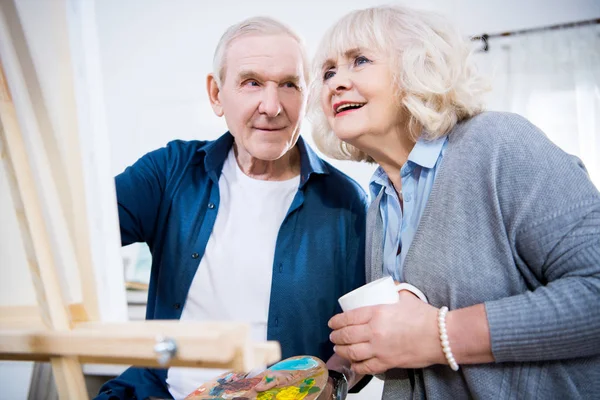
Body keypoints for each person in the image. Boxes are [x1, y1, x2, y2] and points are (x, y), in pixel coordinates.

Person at [310, 4, 600, 399]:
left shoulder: (500, 145)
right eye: (328, 72)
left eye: (359, 60)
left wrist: (438, 335)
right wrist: (334, 377)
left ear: (417, 68)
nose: (335, 83)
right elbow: (405, 342)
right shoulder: (378, 194)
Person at [95, 16, 367, 400]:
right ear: (216, 94)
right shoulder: (169, 171)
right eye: (251, 82)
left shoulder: (349, 205)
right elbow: (79, 229)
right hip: (157, 391)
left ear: (307, 96)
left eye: (289, 84)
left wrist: (333, 384)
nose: (271, 107)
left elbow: (361, 340)